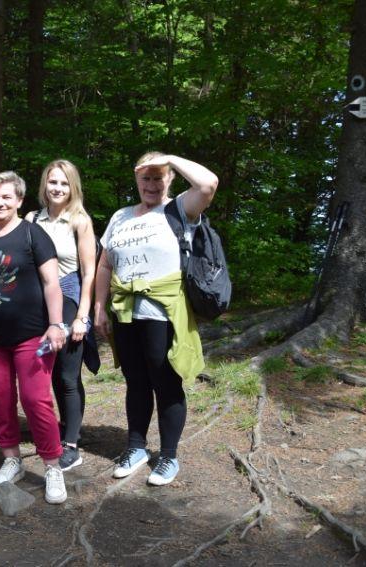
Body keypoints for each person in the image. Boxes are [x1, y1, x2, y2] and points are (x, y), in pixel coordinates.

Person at [94, 152, 217, 486]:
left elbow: (208, 184)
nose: (151, 184)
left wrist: (170, 158)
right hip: (126, 311)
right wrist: (99, 307)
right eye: (145, 178)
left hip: (164, 313)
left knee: (166, 382)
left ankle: (168, 456)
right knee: (135, 381)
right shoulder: (120, 216)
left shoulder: (180, 209)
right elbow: (105, 264)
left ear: (170, 178)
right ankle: (136, 448)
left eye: (158, 177)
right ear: (136, 180)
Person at [0, 171, 68, 505]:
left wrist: (56, 324)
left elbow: (52, 283)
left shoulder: (32, 234)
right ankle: (12, 459)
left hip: (32, 335)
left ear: (20, 200)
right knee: (0, 398)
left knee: (36, 400)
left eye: (6, 197)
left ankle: (52, 465)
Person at [26, 160, 97, 472]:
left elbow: (89, 272)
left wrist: (82, 316)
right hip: (37, 301)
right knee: (47, 372)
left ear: (73, 187)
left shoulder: (79, 220)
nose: (57, 188)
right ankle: (58, 426)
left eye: (64, 183)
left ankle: (71, 444)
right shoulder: (31, 218)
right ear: (45, 184)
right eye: (53, 182)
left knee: (67, 375)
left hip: (69, 297)